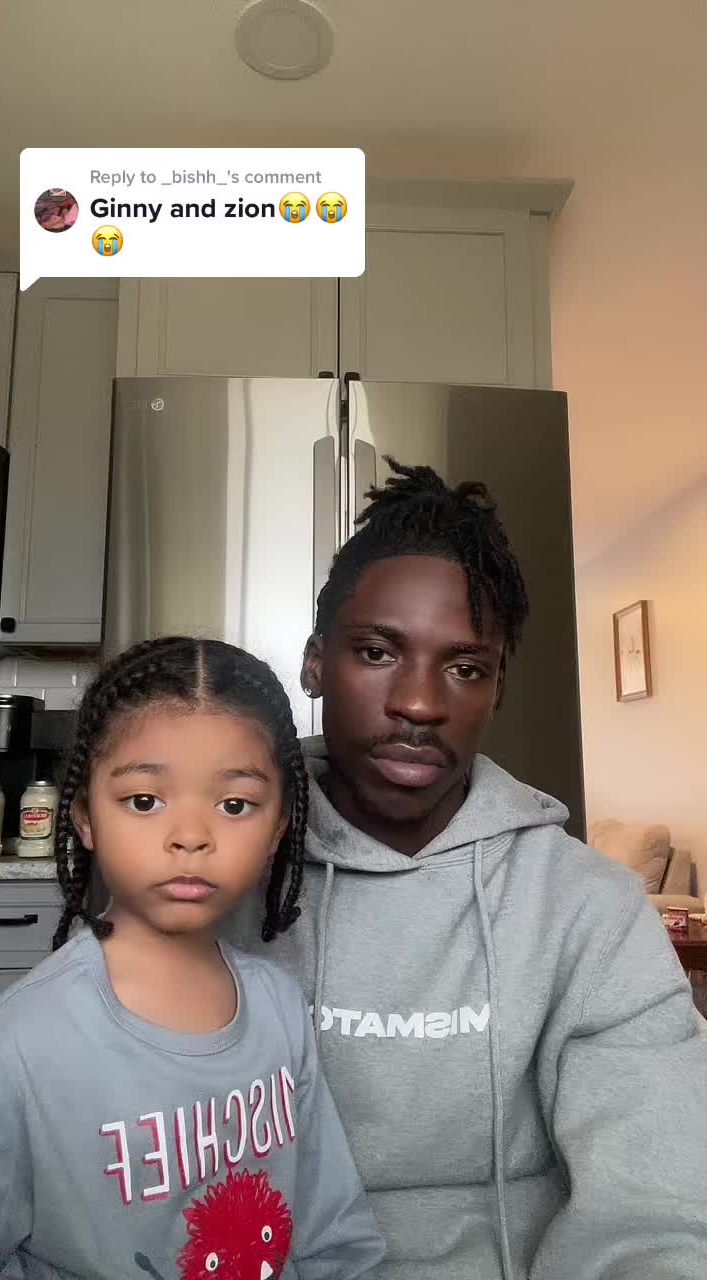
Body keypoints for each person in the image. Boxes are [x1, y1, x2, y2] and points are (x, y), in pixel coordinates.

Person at [226, 459, 707, 1280]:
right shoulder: (217, 877)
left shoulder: (591, 910)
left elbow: (658, 1206)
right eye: (377, 651)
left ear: (497, 688)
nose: (419, 703)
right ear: (314, 663)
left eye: (465, 667)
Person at [0, 637, 385, 1280]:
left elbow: (333, 1231)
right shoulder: (16, 1046)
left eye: (235, 805)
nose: (192, 836)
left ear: (279, 826)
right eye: (145, 800)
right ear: (84, 816)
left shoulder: (281, 1006)